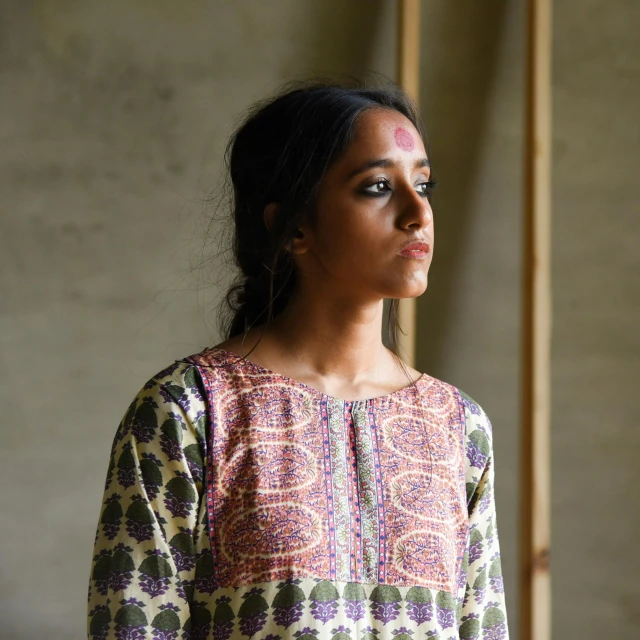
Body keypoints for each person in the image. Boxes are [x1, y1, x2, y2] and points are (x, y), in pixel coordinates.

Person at [87, 81, 509, 640]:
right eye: (378, 187)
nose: (418, 213)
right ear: (293, 227)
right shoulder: (189, 412)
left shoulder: (458, 426)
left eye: (424, 184)